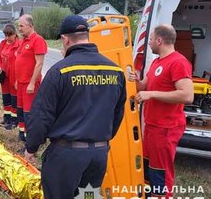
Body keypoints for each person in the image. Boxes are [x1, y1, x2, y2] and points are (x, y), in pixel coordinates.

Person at [25, 15, 127, 199]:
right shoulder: (116, 71)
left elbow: (41, 116)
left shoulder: (60, 71)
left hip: (66, 158)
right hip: (98, 157)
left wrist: (31, 147)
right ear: (87, 36)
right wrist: (101, 141)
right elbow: (118, 114)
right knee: (88, 197)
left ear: (65, 39)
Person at [129, 24, 193, 198]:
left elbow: (187, 95)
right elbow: (144, 86)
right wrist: (137, 81)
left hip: (166, 128)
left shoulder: (178, 62)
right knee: (149, 170)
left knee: (161, 173)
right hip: (152, 126)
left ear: (159, 40)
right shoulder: (157, 62)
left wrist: (152, 94)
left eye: (150, 39)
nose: (149, 43)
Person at [15, 14, 47, 141]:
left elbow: (39, 63)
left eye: (22, 26)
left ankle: (31, 140)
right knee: (21, 110)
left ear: (30, 26)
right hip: (21, 83)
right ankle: (22, 134)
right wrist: (18, 80)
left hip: (30, 84)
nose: (20, 29)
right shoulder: (23, 41)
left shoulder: (38, 40)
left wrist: (32, 83)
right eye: (19, 26)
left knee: (30, 113)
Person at [0, 24, 20, 130]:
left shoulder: (19, 45)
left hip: (14, 76)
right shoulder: (3, 44)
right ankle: (7, 118)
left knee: (14, 99)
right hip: (4, 76)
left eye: (9, 35)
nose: (7, 38)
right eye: (5, 35)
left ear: (15, 34)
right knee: (6, 98)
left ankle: (14, 121)